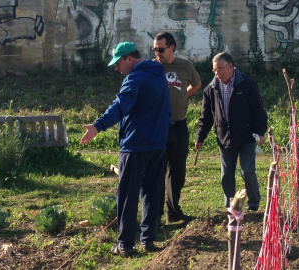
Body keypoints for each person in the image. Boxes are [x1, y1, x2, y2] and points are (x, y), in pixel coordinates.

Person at [80, 41, 171, 256]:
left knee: (127, 194)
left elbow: (120, 105)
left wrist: (97, 126)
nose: (116, 68)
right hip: (158, 145)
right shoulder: (159, 76)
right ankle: (148, 240)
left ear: (129, 59)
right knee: (151, 191)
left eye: (118, 63)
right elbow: (167, 110)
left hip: (135, 146)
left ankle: (125, 244)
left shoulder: (135, 78)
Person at [194, 52, 267, 211]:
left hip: (247, 136)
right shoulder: (211, 89)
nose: (217, 73)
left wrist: (261, 132)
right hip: (224, 138)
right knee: (226, 175)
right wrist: (200, 137)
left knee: (247, 171)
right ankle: (231, 206)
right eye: (214, 70)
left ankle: (254, 204)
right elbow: (205, 117)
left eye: (220, 69)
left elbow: (258, 110)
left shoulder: (247, 84)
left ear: (231, 67)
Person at [153, 31, 202, 223]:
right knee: (157, 170)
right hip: (158, 127)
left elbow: (197, 84)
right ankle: (155, 215)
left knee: (178, 171)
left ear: (172, 48)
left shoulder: (185, 66)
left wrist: (183, 96)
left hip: (179, 126)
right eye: (155, 49)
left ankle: (173, 212)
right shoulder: (151, 67)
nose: (157, 52)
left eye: (161, 49)